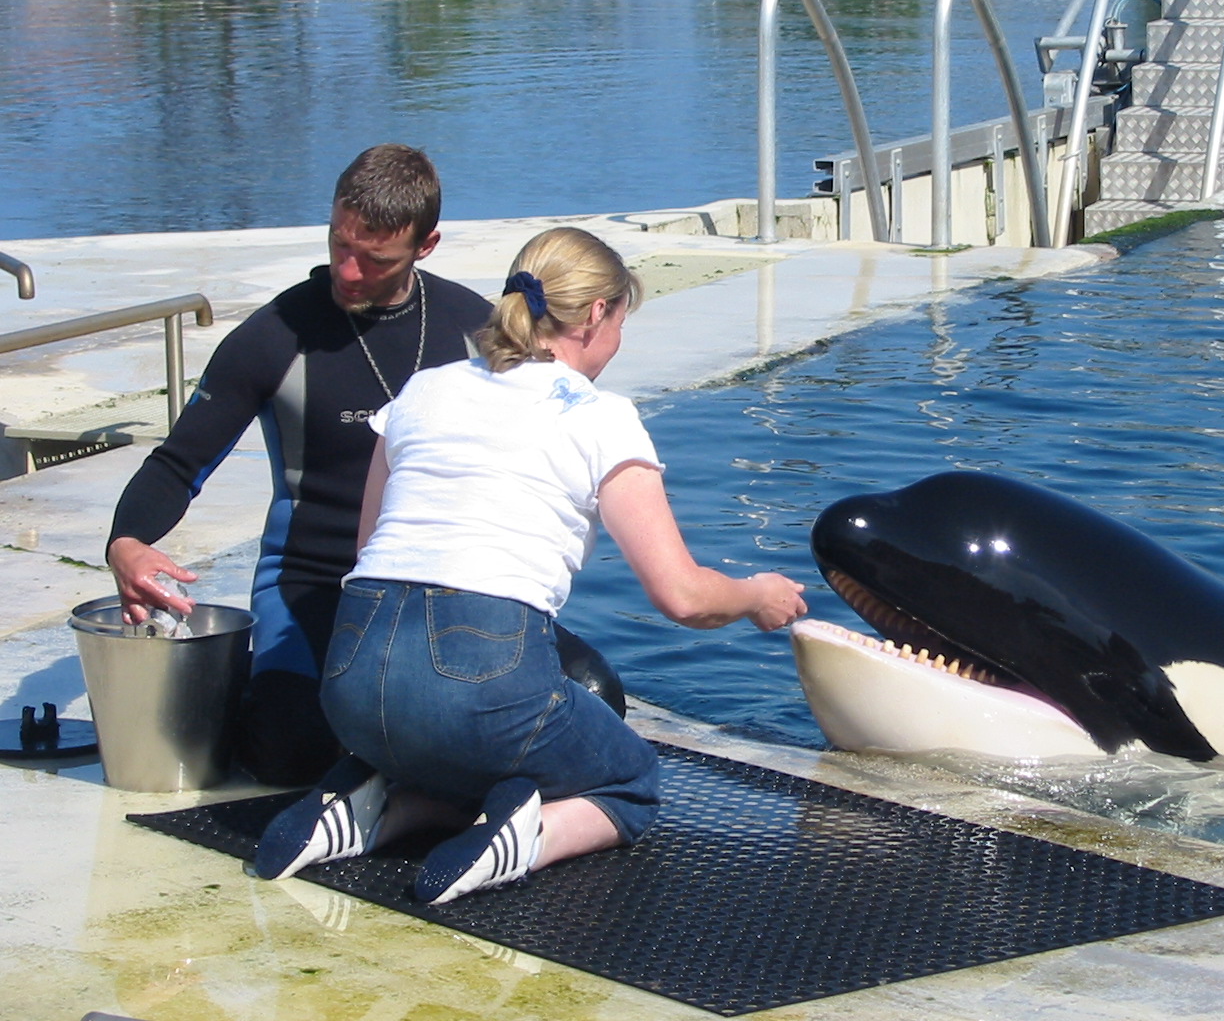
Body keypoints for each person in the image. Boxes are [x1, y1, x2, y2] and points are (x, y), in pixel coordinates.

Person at [252, 226, 808, 905]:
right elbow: (682, 596)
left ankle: (371, 813)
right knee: (628, 781)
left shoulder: (424, 391)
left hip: (349, 680)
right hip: (477, 678)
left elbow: (370, 551)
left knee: (466, 751)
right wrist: (755, 595)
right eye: (621, 320)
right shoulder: (602, 417)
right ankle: (521, 840)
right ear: (597, 314)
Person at [106, 145, 495, 787]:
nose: (347, 271)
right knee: (293, 752)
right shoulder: (274, 335)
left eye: (375, 260)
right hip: (313, 581)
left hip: (444, 584)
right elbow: (179, 463)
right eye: (340, 244)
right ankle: (260, 684)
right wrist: (126, 542)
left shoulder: (474, 329)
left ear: (426, 246)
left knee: (588, 693)